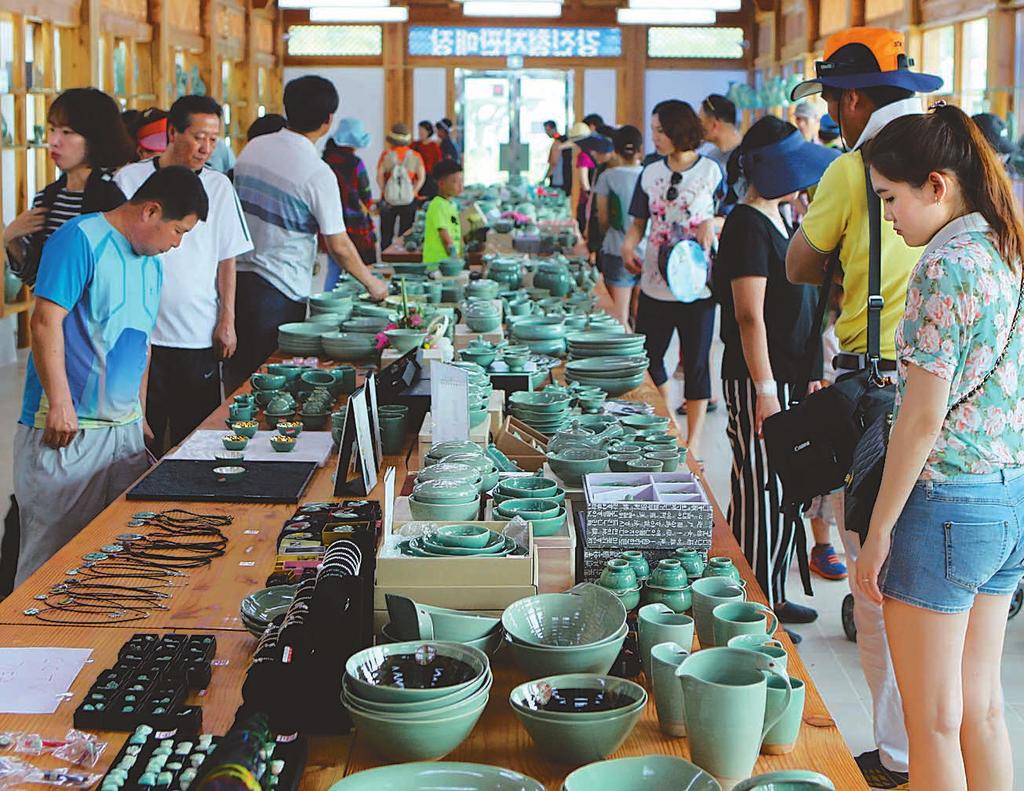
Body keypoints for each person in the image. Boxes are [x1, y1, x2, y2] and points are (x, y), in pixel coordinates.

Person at [785, 26, 943, 789]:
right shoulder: (952, 158)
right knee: (928, 588)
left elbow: (797, 263)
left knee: (874, 579)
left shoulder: (853, 170)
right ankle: (923, 748)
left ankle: (897, 754)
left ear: (851, 99)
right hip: (953, 389)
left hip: (879, 393)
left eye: (833, 103)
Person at [858, 103, 1024, 791]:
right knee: (980, 710)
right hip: (1006, 497)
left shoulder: (942, 266)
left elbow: (920, 420)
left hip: (946, 504)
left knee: (930, 723)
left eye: (891, 198)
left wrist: (877, 531)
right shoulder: (1003, 245)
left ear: (936, 184)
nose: (888, 216)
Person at [13, 166, 208, 586]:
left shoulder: (151, 263)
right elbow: (45, 321)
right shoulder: (79, 239)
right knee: (51, 561)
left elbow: (142, 342)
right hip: (69, 431)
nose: (177, 244)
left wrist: (139, 413)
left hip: (123, 434)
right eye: (178, 231)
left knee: (117, 559)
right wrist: (61, 403)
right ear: (150, 211)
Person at [713, 116, 839, 627]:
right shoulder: (746, 224)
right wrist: (765, 390)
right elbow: (749, 315)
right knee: (758, 489)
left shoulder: (783, 217)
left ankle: (773, 593)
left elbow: (805, 305)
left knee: (783, 485)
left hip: (788, 376)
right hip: (757, 379)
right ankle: (753, 606)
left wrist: (810, 371)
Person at [114, 95, 252, 455]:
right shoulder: (130, 180)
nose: (206, 147)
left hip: (196, 333)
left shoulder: (219, 186)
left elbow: (227, 258)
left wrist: (228, 318)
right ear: (172, 132)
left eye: (214, 139)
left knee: (197, 441)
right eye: (198, 136)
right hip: (139, 331)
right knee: (140, 441)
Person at [230, 76, 387, 391]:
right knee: (271, 382)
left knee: (240, 380)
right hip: (280, 286)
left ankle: (234, 431)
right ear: (328, 121)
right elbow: (339, 245)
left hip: (236, 279)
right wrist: (372, 283)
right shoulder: (317, 172)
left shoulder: (253, 147)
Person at [622, 100, 720, 461]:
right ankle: (669, 422)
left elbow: (732, 215)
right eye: (653, 131)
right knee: (650, 358)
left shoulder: (711, 171)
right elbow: (638, 224)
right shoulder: (649, 172)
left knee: (695, 363)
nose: (655, 138)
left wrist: (713, 222)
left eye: (660, 131)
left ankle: (692, 441)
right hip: (653, 282)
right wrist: (628, 247)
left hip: (697, 285)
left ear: (679, 129)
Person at [4, 88, 133, 287]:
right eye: (52, 129)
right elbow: (37, 280)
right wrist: (10, 237)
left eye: (67, 132)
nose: (54, 141)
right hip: (52, 317)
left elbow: (116, 276)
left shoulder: (112, 199)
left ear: (94, 139)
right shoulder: (47, 198)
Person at [593, 125, 644, 327]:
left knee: (619, 317)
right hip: (646, 252)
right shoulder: (649, 175)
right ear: (640, 150)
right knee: (642, 317)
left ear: (615, 149)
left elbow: (603, 218)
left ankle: (625, 357)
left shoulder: (608, 177)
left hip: (617, 250)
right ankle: (644, 357)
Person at [322, 117, 377, 289]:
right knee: (358, 268)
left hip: (330, 221)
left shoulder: (326, 161)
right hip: (356, 226)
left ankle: (330, 304)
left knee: (334, 268)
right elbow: (366, 193)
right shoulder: (356, 163)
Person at [376, 123, 425, 251]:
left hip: (388, 201)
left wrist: (384, 191)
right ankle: (402, 257)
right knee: (405, 233)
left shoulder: (386, 155)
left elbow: (379, 176)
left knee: (386, 234)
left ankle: (386, 258)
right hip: (409, 200)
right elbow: (421, 177)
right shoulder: (415, 156)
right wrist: (414, 192)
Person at [422, 159, 464, 269]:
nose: (460, 186)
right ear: (441, 183)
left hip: (449, 264)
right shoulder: (437, 205)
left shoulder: (451, 205)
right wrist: (455, 258)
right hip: (438, 265)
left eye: (461, 181)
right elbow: (444, 235)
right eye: (455, 181)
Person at [698, 93, 742, 173]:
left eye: (700, 122)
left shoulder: (746, 159)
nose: (697, 127)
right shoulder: (712, 157)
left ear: (715, 126)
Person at [412, 120, 443, 201]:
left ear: (428, 132)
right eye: (419, 130)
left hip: (429, 177)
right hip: (415, 177)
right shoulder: (415, 145)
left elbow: (438, 163)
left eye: (422, 130)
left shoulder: (434, 146)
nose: (420, 133)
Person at [544, 120, 572, 195]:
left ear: (554, 129)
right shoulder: (564, 140)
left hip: (559, 179)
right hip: (566, 177)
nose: (546, 133)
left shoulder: (558, 142)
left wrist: (546, 177)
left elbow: (553, 162)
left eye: (548, 130)